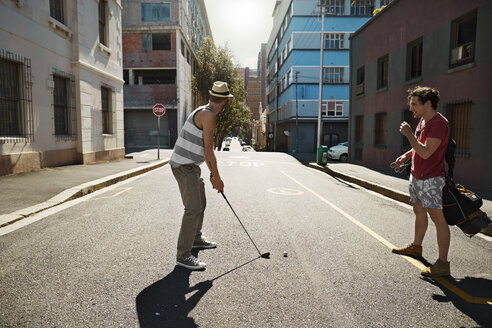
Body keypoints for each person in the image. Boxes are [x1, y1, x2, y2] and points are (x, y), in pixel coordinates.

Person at [170, 81, 233, 270]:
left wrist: (212, 175)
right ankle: (183, 255)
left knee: (201, 203)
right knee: (193, 208)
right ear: (225, 102)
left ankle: (196, 239)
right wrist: (218, 178)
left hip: (191, 166)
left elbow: (203, 149)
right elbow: (208, 150)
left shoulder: (204, 110)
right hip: (183, 166)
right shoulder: (209, 115)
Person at [392, 86, 451, 277]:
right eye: (411, 104)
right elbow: (419, 146)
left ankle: (443, 264)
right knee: (418, 212)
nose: (411, 108)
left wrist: (408, 134)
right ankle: (416, 247)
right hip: (416, 176)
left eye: (414, 104)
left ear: (427, 104)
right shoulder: (423, 121)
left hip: (431, 179)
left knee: (438, 220)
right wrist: (406, 155)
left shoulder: (439, 124)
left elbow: (426, 151)